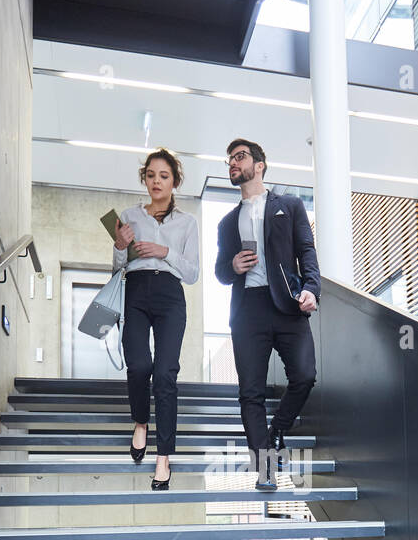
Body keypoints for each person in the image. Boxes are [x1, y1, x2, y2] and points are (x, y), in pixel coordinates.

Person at [215, 138, 320, 490]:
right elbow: (219, 272)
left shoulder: (288, 206)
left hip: (287, 304)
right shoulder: (228, 222)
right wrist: (232, 265)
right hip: (248, 311)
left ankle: (278, 430)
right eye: (229, 159)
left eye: (239, 157)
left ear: (259, 165)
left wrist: (311, 288)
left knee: (304, 376)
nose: (233, 162)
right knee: (251, 393)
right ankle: (264, 467)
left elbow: (306, 250)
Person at [112, 149, 199, 490]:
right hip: (135, 289)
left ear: (174, 181)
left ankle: (163, 456)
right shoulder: (129, 215)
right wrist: (121, 245)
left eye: (163, 176)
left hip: (170, 294)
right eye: (151, 175)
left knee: (165, 373)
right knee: (138, 364)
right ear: (144, 178)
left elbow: (192, 273)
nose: (156, 182)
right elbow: (118, 266)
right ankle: (140, 422)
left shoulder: (187, 223)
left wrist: (165, 251)